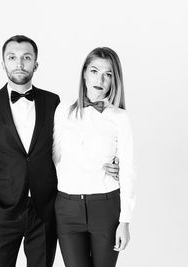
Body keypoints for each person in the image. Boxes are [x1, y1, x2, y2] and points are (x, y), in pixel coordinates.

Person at [0, 35, 119, 267]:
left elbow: (70, 147)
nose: (19, 63)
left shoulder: (52, 102)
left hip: (44, 212)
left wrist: (112, 162)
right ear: (3, 63)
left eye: (26, 58)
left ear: (36, 64)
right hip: (1, 212)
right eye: (12, 57)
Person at [53, 47, 136, 267]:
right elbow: (52, 159)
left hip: (106, 208)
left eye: (108, 74)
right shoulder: (62, 112)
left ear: (113, 80)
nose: (100, 79)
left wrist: (125, 221)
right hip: (67, 208)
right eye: (94, 71)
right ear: (84, 73)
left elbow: (128, 171)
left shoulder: (120, 118)